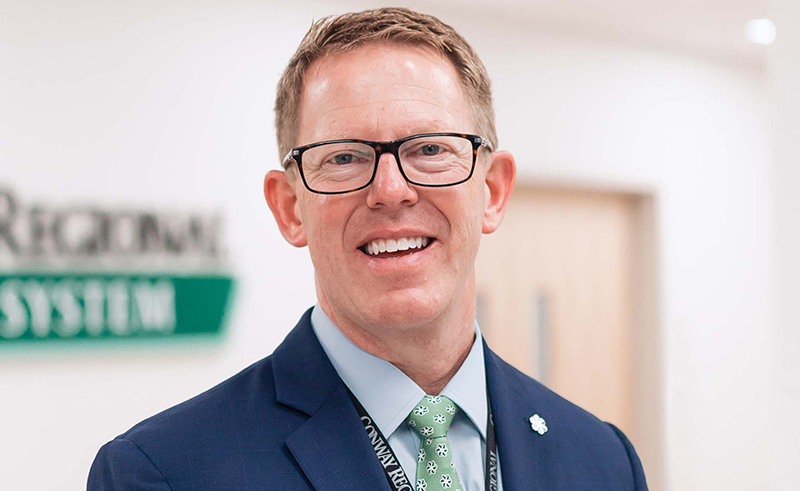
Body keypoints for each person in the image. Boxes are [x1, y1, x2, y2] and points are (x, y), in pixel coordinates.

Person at [88, 7, 648, 491]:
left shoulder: (603, 460)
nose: (391, 190)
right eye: (344, 157)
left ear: (493, 192)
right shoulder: (165, 471)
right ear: (290, 207)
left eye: (430, 149)